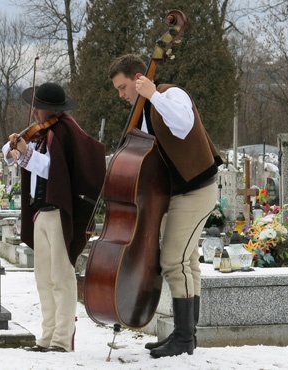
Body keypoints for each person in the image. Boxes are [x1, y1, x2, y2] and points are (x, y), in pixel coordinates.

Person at [108, 54, 222, 358]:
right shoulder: (143, 112)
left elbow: (184, 124)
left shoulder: (171, 94)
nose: (121, 95)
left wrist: (153, 95)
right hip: (176, 195)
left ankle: (184, 337)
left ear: (138, 79)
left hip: (196, 190)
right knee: (187, 263)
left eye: (122, 87)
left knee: (173, 261)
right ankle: (187, 335)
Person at [3, 82, 106, 353]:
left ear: (50, 109)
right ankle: (46, 336)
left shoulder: (65, 131)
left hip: (60, 211)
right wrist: (14, 147)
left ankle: (62, 338)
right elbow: (8, 156)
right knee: (43, 277)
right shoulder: (40, 134)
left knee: (61, 276)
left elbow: (53, 170)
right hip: (41, 213)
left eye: (38, 107)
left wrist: (26, 154)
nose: (34, 111)